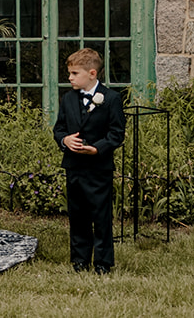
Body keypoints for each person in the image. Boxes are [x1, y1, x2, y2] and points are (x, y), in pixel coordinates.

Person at [53, 47, 126, 274]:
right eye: (70, 73)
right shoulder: (68, 99)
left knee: (101, 216)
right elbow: (59, 128)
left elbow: (117, 133)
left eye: (75, 73)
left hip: (98, 167)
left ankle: (103, 262)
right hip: (74, 167)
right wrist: (65, 140)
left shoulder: (111, 99)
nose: (70, 77)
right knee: (77, 215)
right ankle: (80, 260)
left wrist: (97, 149)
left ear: (92, 74)